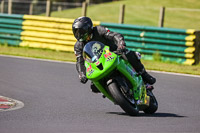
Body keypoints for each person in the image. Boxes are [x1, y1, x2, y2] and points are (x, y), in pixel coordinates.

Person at [72, 16, 156, 92]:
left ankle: (145, 76)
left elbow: (114, 35)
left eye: (80, 31)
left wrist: (120, 44)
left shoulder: (99, 30)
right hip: (98, 61)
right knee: (94, 87)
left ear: (88, 28)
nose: (78, 34)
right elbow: (79, 61)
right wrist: (81, 73)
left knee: (129, 54)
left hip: (114, 52)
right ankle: (112, 92)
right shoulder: (78, 46)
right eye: (76, 32)